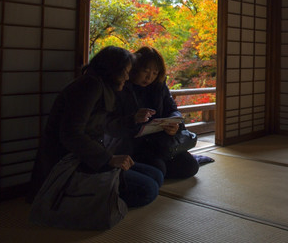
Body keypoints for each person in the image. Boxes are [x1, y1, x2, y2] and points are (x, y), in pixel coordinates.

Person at [27, 46, 163, 208]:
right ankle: (80, 199)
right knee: (148, 189)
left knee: (155, 175)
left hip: (90, 155)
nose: (127, 77)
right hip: (70, 162)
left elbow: (104, 125)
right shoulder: (90, 86)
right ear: (113, 70)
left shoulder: (103, 87)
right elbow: (71, 134)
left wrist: (133, 119)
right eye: (125, 72)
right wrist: (109, 159)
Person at [106, 46, 200, 179]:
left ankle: (155, 173)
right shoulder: (121, 86)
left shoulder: (159, 86)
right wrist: (134, 118)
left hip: (159, 141)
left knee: (190, 166)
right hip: (133, 143)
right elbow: (112, 122)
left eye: (155, 73)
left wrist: (174, 124)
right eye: (145, 71)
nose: (149, 77)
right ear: (134, 68)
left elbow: (172, 110)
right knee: (158, 169)